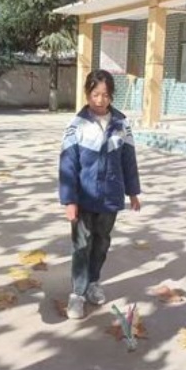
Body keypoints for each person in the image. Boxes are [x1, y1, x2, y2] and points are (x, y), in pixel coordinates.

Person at [59, 69, 141, 319]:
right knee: (82, 245)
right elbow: (68, 165)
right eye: (95, 94)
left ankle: (94, 282)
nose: (100, 100)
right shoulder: (76, 125)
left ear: (111, 96)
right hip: (84, 198)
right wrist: (69, 200)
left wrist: (133, 192)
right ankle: (77, 294)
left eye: (105, 95)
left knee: (102, 242)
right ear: (87, 94)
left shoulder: (121, 124)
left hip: (110, 198)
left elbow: (129, 160)